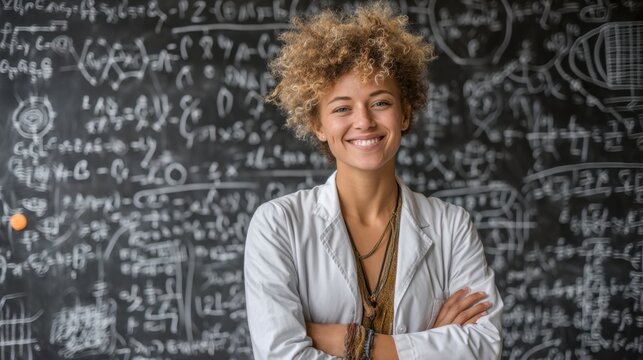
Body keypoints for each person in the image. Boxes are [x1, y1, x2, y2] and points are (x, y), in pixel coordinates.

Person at [244, 2, 503, 359]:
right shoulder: (277, 225)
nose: (363, 121)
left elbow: (484, 347)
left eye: (380, 102)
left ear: (406, 113)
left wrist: (358, 344)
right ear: (317, 125)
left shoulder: (451, 226)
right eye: (341, 108)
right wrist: (429, 344)